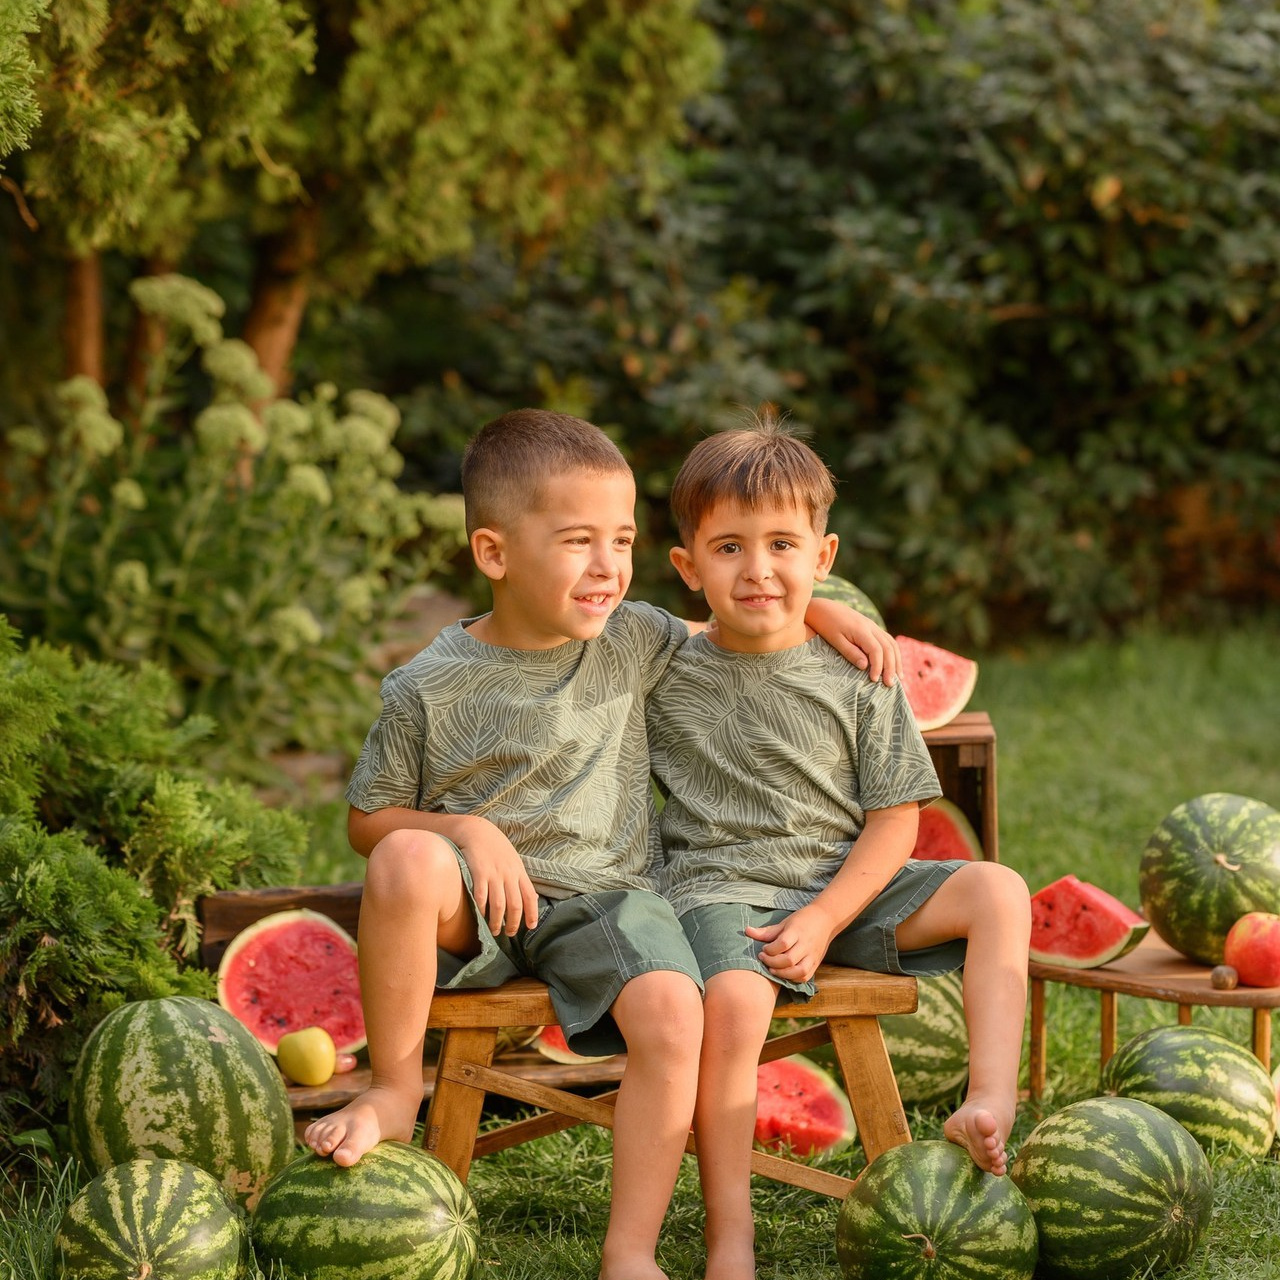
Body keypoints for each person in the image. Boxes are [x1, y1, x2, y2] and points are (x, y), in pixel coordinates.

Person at [303, 409, 900, 1280]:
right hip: (472, 908)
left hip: (607, 900)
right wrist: (467, 829)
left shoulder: (632, 636)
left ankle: (630, 1252)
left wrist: (831, 619)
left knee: (672, 1011)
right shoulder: (425, 686)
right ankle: (396, 1089)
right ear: (494, 553)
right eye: (580, 541)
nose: (609, 567)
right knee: (403, 854)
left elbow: (738, 623)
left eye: (621, 540)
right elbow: (368, 820)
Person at [645, 413, 1032, 1280]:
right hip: (723, 890)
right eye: (730, 548)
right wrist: (809, 600)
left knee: (999, 891)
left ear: (824, 557)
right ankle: (728, 1237)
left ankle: (989, 1100)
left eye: (784, 545)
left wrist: (824, 916)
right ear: (688, 566)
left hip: (845, 886)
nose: (758, 570)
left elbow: (895, 818)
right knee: (739, 1008)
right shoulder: (661, 661)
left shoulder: (863, 673)